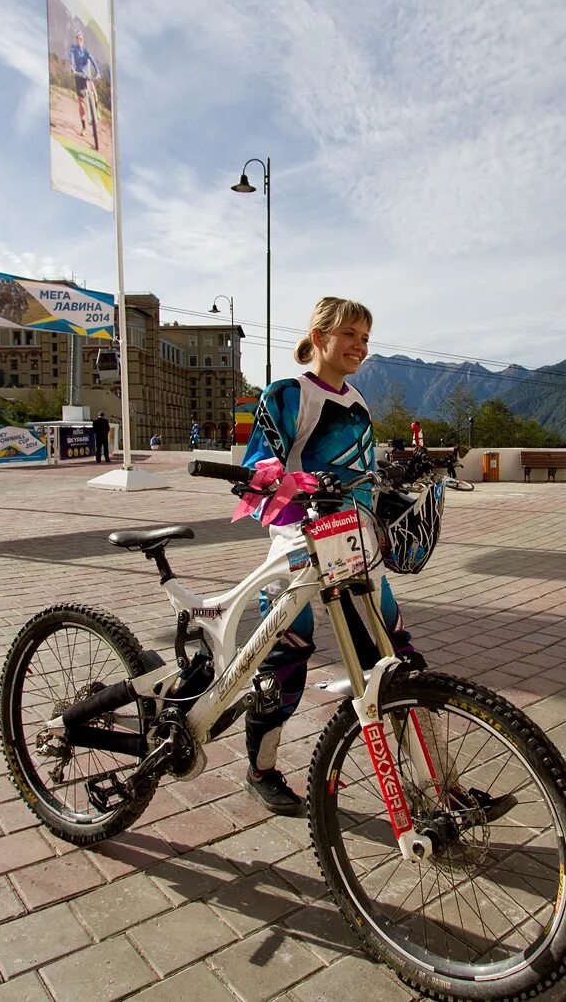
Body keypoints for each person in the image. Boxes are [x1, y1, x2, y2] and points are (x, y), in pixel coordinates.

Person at [237, 297, 424, 815]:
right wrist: (284, 478)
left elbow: (364, 474)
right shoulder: (287, 394)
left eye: (365, 338)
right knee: (284, 656)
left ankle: (431, 785)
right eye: (349, 335)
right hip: (299, 539)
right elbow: (259, 464)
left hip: (353, 541)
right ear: (319, 337)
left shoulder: (359, 401)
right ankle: (262, 769)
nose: (359, 347)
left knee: (394, 656)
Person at [69, 30, 100, 146]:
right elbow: (71, 57)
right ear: (76, 39)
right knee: (81, 103)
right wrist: (72, 67)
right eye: (77, 38)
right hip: (78, 76)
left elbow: (93, 61)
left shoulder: (86, 51)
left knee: (93, 91)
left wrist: (98, 72)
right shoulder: (73, 48)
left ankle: (96, 110)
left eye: (80, 38)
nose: (79, 40)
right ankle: (84, 127)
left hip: (87, 76)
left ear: (83, 39)